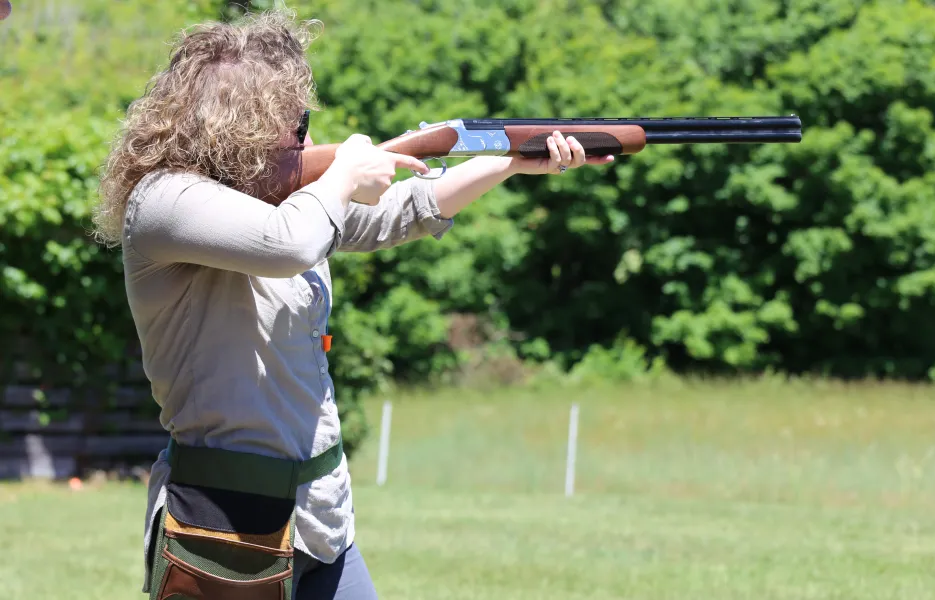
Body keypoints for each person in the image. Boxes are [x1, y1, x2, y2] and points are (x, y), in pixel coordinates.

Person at [92, 10, 612, 600]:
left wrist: (511, 159)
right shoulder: (163, 201)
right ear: (240, 130)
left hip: (322, 518)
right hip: (223, 530)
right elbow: (287, 241)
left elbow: (405, 209)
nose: (307, 137)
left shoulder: (298, 201)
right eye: (294, 124)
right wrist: (342, 175)